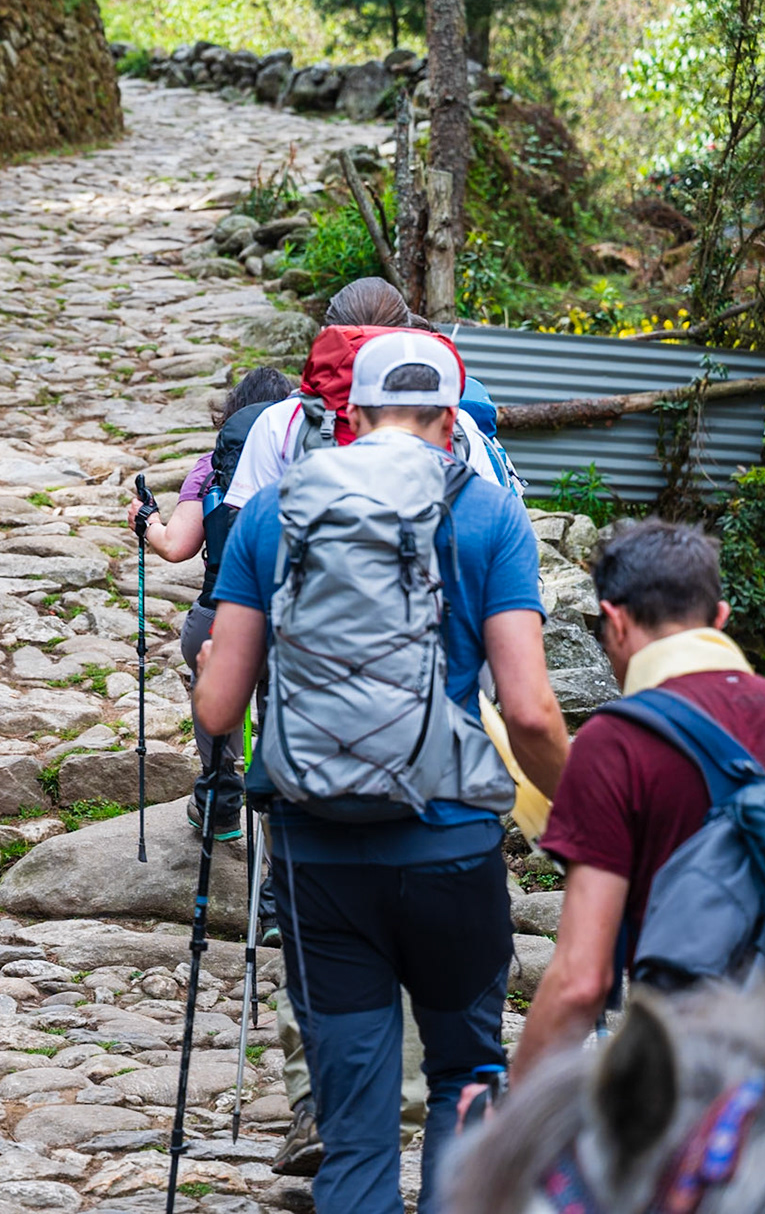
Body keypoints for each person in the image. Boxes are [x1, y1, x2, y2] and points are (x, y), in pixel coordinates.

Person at [192, 330, 570, 1214]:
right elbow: (530, 711)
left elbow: (217, 712)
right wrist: (592, 805)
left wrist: (216, 658)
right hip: (451, 850)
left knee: (355, 1129)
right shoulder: (488, 515)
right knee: (465, 1079)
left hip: (319, 857)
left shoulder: (274, 508)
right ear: (451, 421)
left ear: (349, 415)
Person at [510, 520, 765, 1083]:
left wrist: (512, 1139)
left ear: (616, 623)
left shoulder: (615, 743)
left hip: (700, 1086)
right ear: (720, 618)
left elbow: (580, 980)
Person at [127, 365, 294, 843]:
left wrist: (145, 520)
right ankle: (281, 812)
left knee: (207, 657)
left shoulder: (215, 464)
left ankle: (219, 800)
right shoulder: (309, 456)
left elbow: (176, 545)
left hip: (222, 616)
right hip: (289, 621)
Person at [221, 278, 507, 509]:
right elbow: (499, 521)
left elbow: (247, 529)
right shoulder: (456, 424)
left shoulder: (281, 421)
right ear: (409, 336)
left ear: (325, 334)